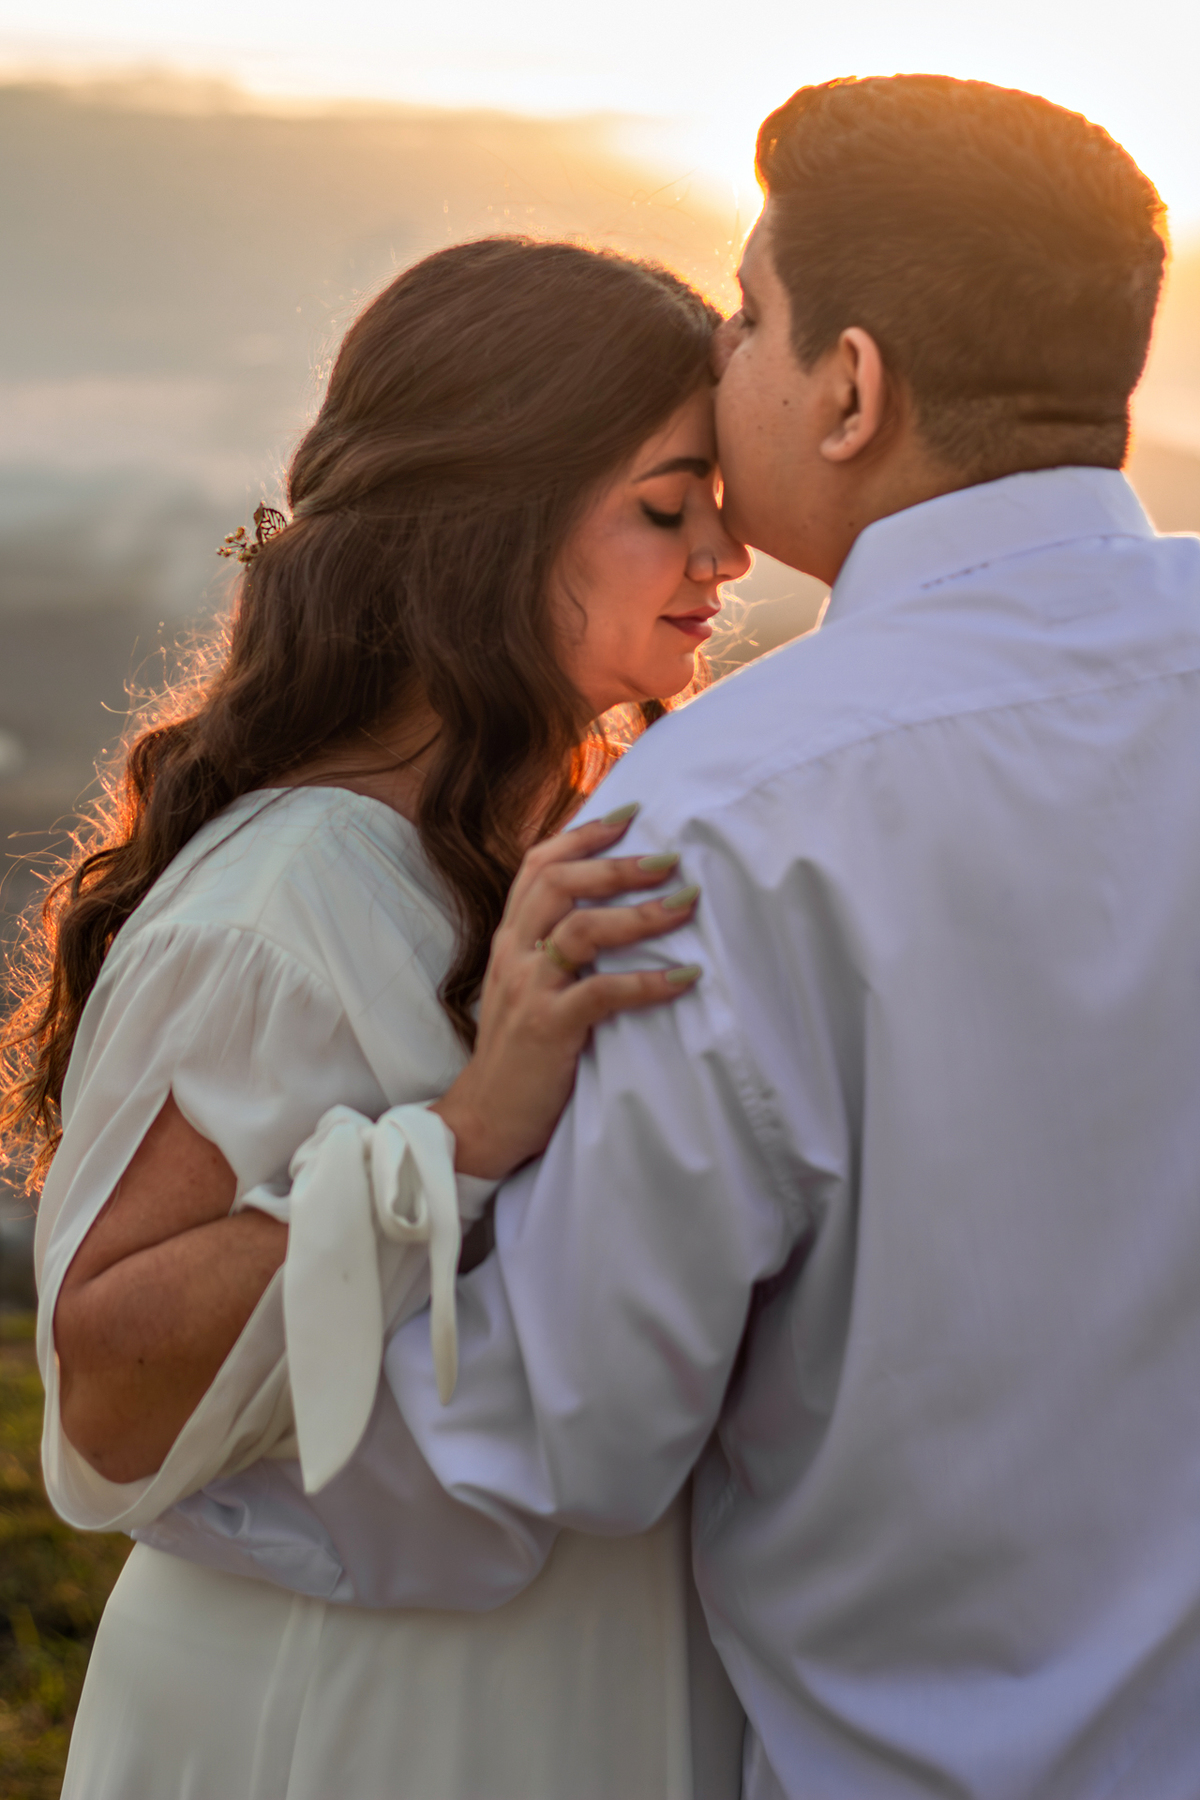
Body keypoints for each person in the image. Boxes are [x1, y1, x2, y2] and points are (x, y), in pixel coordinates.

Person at [155, 75, 1200, 1799]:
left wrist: (162, 1462)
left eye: (748, 312)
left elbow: (560, 1429)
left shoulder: (724, 810)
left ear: (850, 386)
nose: (721, 360)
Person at [4, 238, 752, 1798]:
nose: (723, 561)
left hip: (561, 1684)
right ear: (499, 518)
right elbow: (102, 1380)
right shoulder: (288, 902)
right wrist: (466, 1133)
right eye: (669, 506)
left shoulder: (525, 840)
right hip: (346, 1713)